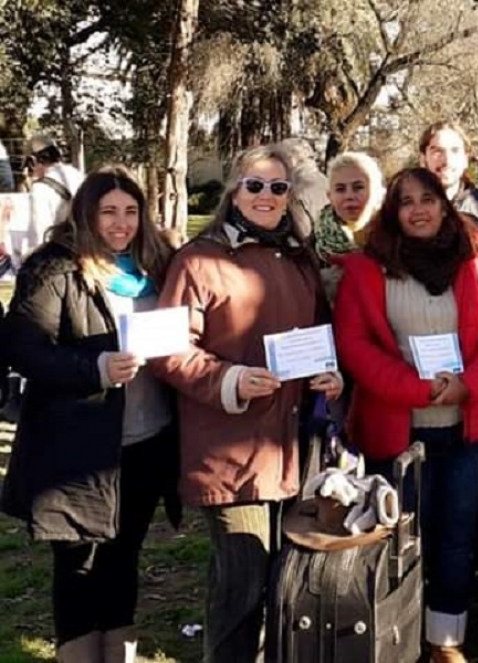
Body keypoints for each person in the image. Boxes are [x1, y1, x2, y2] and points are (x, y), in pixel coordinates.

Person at [152, 145, 343, 662]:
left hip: (294, 447)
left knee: (288, 585)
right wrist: (229, 379)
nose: (266, 196)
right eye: (254, 185)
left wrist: (328, 373)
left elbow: (318, 333)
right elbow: (168, 351)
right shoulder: (198, 260)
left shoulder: (298, 256)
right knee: (241, 585)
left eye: (277, 187)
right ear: (233, 190)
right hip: (230, 453)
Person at [334, 167, 478, 663]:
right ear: (392, 211)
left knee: (455, 540)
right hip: (396, 430)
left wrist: (468, 385)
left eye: (427, 199)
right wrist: (414, 389)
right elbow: (355, 347)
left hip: (461, 429)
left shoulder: (476, 261)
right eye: (406, 202)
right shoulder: (367, 268)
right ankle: (397, 636)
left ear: (443, 204)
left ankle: (445, 639)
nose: (418, 210)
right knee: (397, 538)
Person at [0, 167, 180, 662]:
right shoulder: (56, 267)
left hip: (147, 440)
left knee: (124, 558)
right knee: (79, 567)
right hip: (77, 449)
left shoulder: (157, 263)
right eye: (109, 212)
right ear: (87, 213)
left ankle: (118, 654)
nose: (121, 223)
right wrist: (94, 367)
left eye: (130, 211)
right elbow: (22, 347)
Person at [313, 151, 384, 301]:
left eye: (358, 187)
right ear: (329, 196)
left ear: (377, 191)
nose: (349, 196)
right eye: (340, 189)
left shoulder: (397, 237)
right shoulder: (314, 247)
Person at [419, 121, 478, 242]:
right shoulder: (407, 210)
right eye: (437, 151)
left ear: (465, 159)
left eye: (455, 151)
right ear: (423, 159)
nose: (447, 160)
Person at [15, 135, 84, 270]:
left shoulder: (41, 188)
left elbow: (41, 232)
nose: (30, 173)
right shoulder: (76, 174)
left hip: (64, 254)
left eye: (29, 167)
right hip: (88, 246)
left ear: (34, 161)